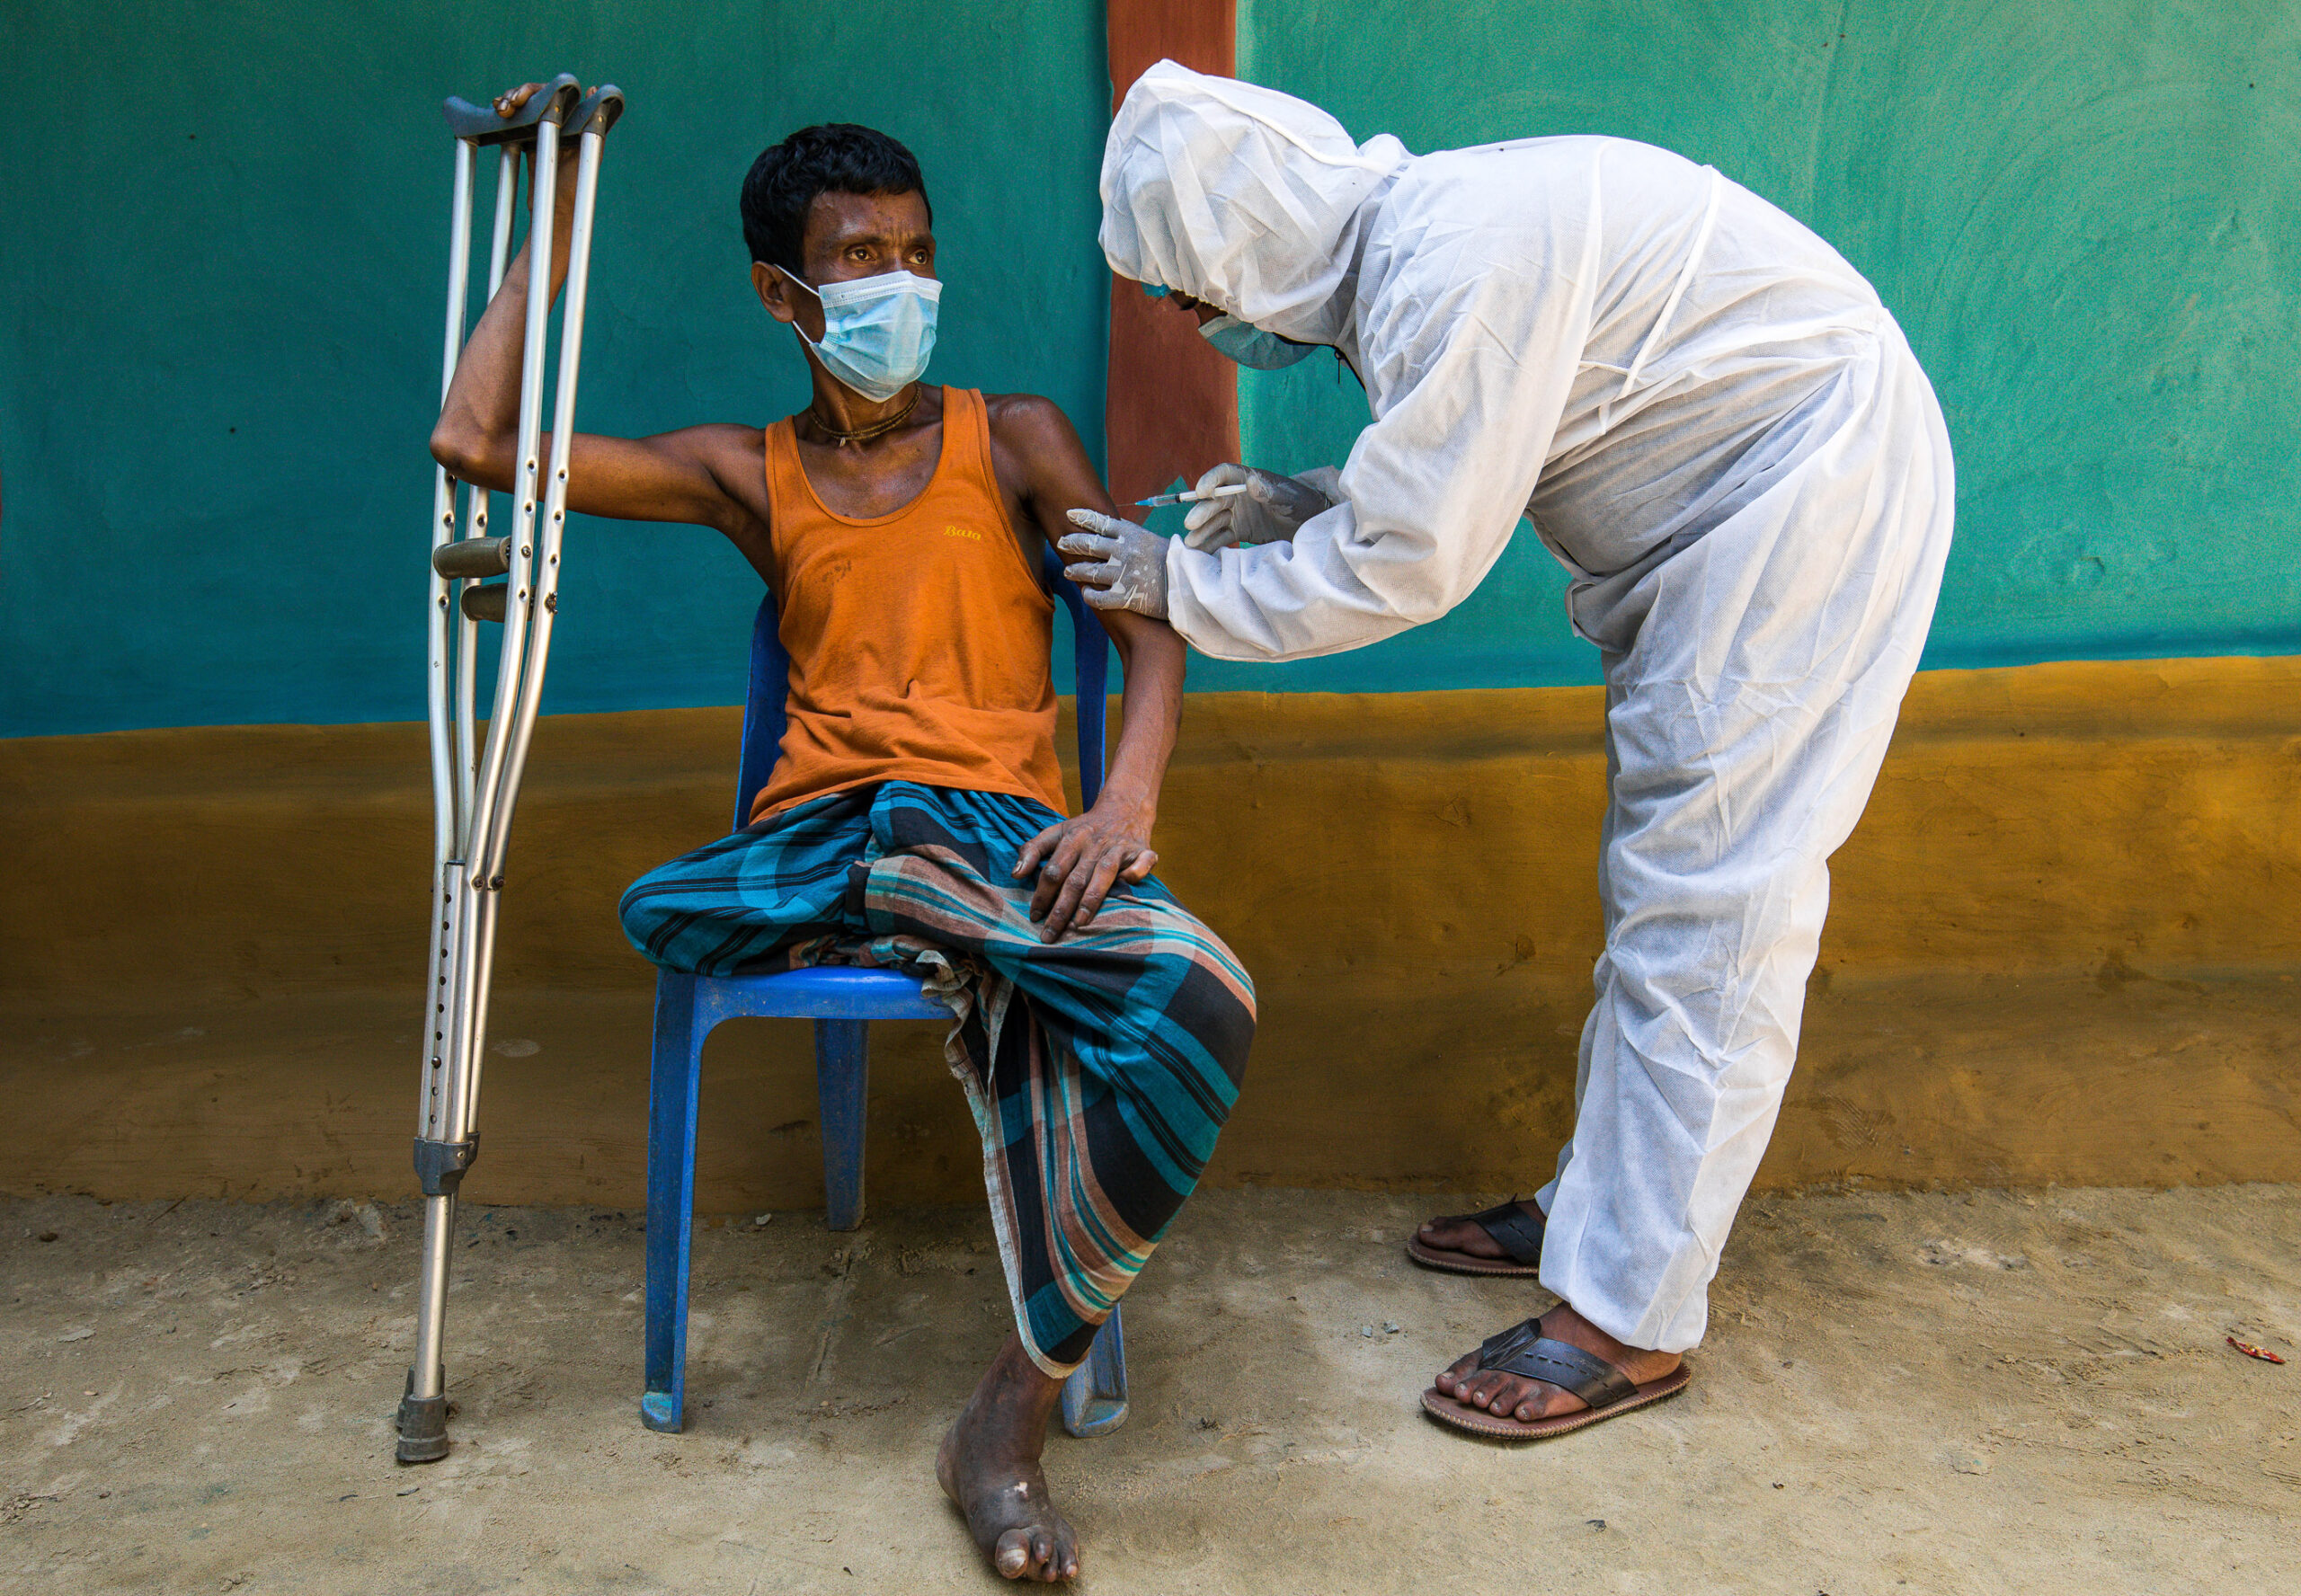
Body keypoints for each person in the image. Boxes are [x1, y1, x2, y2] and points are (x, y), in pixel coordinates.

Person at [1061, 63, 1954, 1441]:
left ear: (1243, 254)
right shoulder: (1417, 251)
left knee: (1713, 914)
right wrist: (1293, 505)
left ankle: (1629, 1317)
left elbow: (1410, 561)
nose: (1197, 325)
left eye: (1189, 296)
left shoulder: (1452, 262)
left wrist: (1181, 592)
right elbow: (1457, 458)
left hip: (1801, 501)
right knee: (1661, 903)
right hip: (1732, 523)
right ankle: (1603, 1217)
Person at [431, 86, 1255, 1582]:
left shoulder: (1011, 440)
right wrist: (551, 223)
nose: (904, 285)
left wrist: (1124, 802)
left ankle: (1005, 1414)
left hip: (1000, 843)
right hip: (827, 841)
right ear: (784, 293)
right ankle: (918, 906)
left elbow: (1148, 631)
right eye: (864, 260)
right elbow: (477, 441)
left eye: (918, 250)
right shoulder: (743, 473)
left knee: (1201, 999)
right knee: (731, 893)